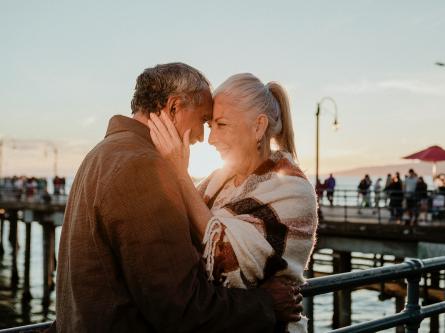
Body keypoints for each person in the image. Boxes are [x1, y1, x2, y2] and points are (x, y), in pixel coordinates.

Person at [52, 63, 301, 333]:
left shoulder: (102, 153)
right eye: (205, 120)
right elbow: (182, 308)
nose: (203, 136)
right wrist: (266, 304)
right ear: (174, 107)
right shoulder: (143, 166)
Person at [149, 73, 318, 332]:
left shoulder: (292, 190)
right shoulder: (218, 181)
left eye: (221, 124)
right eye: (210, 125)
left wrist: (179, 173)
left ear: (258, 126)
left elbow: (221, 259)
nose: (211, 139)